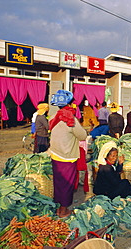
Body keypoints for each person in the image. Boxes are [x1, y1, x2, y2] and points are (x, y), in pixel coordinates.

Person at [48, 90, 87, 218]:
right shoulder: (70, 119)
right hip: (67, 157)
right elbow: (83, 135)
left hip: (55, 155)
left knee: (59, 184)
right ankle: (63, 211)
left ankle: (59, 209)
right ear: (70, 104)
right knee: (67, 185)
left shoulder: (54, 116)